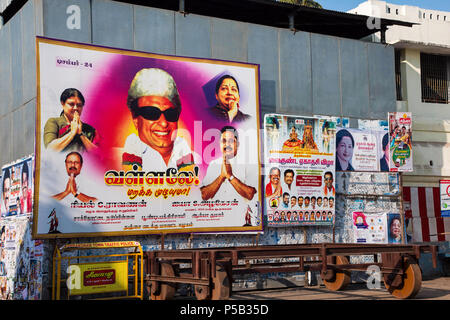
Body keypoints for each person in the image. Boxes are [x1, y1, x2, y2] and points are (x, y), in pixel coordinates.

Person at [122, 68, 196, 171]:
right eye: (151, 113)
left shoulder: (198, 162)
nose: (164, 123)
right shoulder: (114, 161)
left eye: (170, 114)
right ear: (135, 119)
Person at [201, 126, 256, 201]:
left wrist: (230, 176)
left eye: (231, 141)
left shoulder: (247, 163)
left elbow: (250, 194)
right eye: (224, 141)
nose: (227, 144)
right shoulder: (213, 164)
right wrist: (221, 177)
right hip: (217, 211)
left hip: (239, 212)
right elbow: (204, 195)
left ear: (238, 144)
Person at [43, 88, 98, 153]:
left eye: (79, 105)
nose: (75, 108)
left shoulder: (89, 129)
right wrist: (72, 133)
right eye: (71, 104)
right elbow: (50, 149)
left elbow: (98, 155)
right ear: (63, 104)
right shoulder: (54, 122)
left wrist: (81, 135)